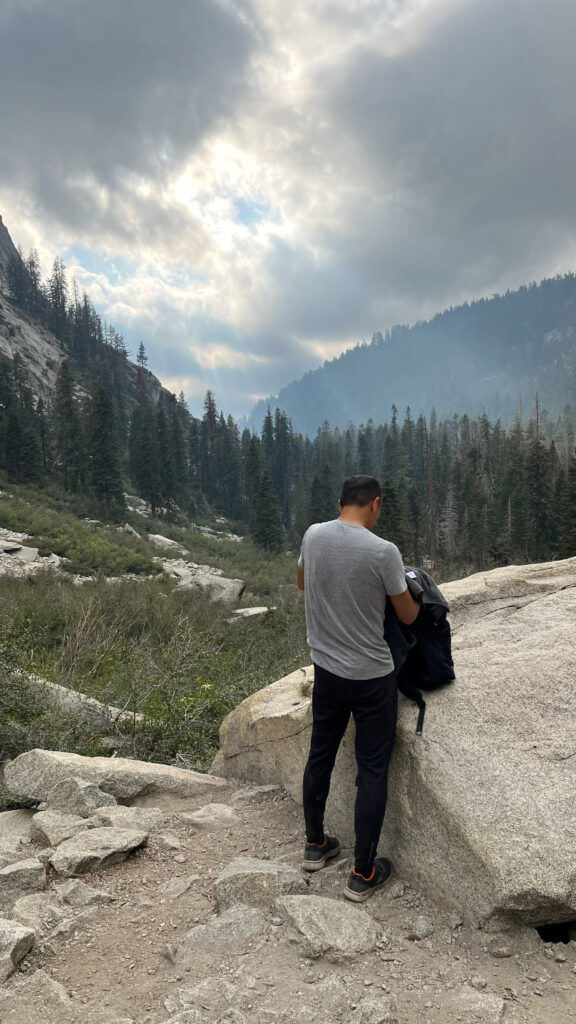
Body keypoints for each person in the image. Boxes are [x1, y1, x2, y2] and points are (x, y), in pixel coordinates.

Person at [297, 474, 420, 902]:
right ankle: (363, 872)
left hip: (326, 671)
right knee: (371, 770)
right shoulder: (383, 551)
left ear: (340, 503)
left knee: (320, 755)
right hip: (371, 678)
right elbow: (407, 616)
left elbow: (302, 583)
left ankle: (315, 844)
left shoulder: (313, 535)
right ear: (376, 505)